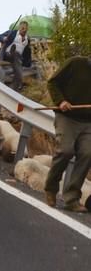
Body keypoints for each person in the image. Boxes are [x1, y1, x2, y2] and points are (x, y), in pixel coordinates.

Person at [43, 55, 91, 213]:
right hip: (67, 117)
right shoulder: (76, 63)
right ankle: (51, 188)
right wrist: (61, 101)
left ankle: (71, 198)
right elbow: (53, 83)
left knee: (87, 153)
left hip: (88, 121)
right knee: (65, 151)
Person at [0, 20, 31, 91]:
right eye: (22, 28)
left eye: (26, 29)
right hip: (7, 55)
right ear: (19, 28)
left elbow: (27, 52)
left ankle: (13, 88)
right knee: (15, 54)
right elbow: (0, 36)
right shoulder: (12, 33)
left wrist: (27, 63)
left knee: (17, 63)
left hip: (18, 58)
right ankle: (12, 52)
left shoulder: (27, 39)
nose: (24, 30)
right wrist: (4, 38)